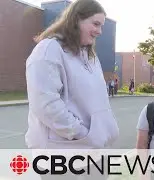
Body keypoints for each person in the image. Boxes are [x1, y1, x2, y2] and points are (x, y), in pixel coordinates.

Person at [25, 0, 119, 179]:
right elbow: (46, 105)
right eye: (95, 24)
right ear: (76, 19)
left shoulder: (90, 56)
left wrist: (100, 134)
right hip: (61, 158)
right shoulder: (48, 50)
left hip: (93, 153)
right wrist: (82, 133)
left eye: (102, 25)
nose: (100, 31)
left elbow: (99, 101)